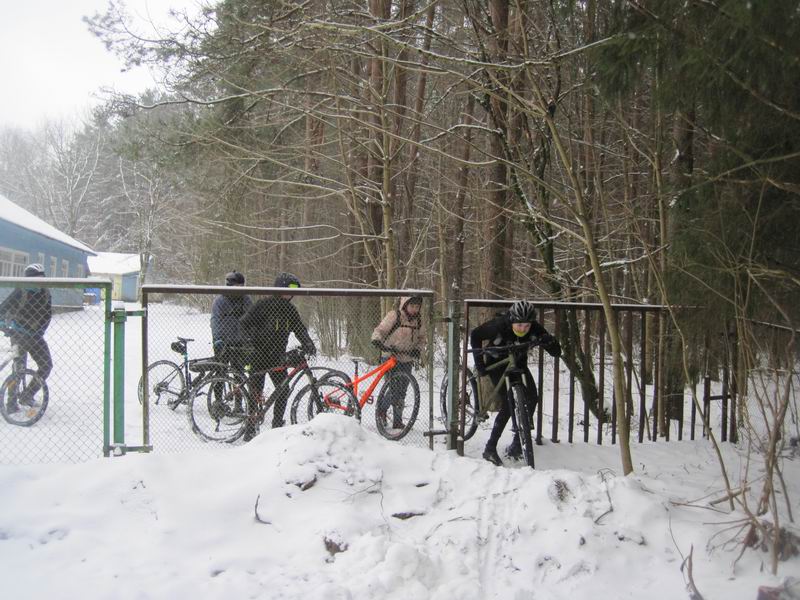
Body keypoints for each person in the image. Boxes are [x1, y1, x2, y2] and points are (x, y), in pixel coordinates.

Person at [469, 300, 561, 466]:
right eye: (519, 325)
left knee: (532, 397)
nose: (523, 329)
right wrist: (479, 363)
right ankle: (490, 448)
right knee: (509, 402)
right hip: (496, 361)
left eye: (526, 326)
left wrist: (550, 341)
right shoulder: (499, 325)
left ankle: (518, 442)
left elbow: (555, 352)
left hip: (518, 363)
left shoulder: (534, 328)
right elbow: (475, 335)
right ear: (512, 320)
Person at [239, 272, 316, 439]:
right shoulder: (263, 305)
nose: (291, 295)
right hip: (258, 356)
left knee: (283, 389)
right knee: (255, 393)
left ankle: (276, 426)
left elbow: (300, 329)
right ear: (279, 289)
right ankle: (250, 429)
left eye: (293, 292)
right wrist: (250, 343)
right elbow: (243, 324)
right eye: (288, 291)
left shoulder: (290, 310)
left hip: (276, 357)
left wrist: (308, 343)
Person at [0, 263, 52, 412]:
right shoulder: (20, 291)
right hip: (19, 335)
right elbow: (2, 309)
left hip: (35, 337)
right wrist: (5, 326)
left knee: (46, 365)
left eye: (42, 277)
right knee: (19, 369)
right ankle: (10, 404)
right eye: (37, 278)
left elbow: (47, 316)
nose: (40, 280)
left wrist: (40, 332)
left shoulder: (45, 293)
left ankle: (26, 395)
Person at [371, 296, 425, 431]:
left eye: (417, 307)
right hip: (391, 357)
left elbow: (422, 339)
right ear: (405, 305)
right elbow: (380, 330)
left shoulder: (419, 320)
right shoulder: (394, 315)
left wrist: (417, 351)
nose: (414, 309)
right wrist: (377, 340)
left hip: (407, 359)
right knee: (393, 389)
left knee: (402, 391)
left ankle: (398, 421)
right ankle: (381, 411)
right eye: (412, 306)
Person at [210, 271, 251, 411]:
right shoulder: (220, 301)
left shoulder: (245, 300)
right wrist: (218, 339)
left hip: (239, 342)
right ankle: (218, 401)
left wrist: (250, 338)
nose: (240, 289)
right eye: (237, 286)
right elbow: (215, 322)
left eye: (242, 286)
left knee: (238, 374)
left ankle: (238, 404)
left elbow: (253, 319)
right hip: (223, 342)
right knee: (220, 371)